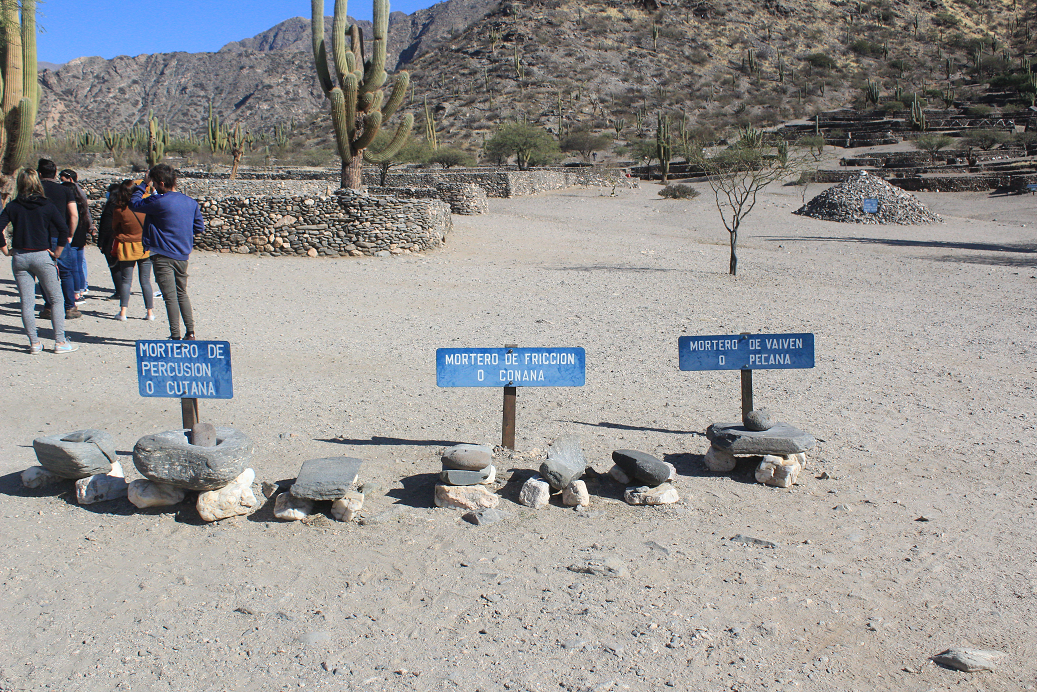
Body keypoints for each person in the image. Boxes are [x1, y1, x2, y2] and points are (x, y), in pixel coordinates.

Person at [0, 167, 77, 354]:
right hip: (43, 255)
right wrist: (58, 251)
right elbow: (63, 229)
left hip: (20, 256)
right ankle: (59, 341)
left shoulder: (13, 206)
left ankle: (34, 343)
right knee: (56, 299)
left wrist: (5, 250)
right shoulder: (47, 205)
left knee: (26, 302)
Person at [129, 164, 204, 340]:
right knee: (181, 293)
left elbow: (134, 203)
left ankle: (175, 335)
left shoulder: (158, 201)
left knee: (169, 297)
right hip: (182, 255)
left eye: (155, 182)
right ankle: (190, 332)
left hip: (162, 255)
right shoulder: (190, 203)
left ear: (160, 183)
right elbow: (199, 227)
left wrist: (143, 185)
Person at [37, 158, 80, 320]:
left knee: (44, 273)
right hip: (59, 235)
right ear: (55, 173)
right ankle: (69, 307)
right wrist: (70, 234)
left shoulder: (36, 191)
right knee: (66, 273)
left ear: (39, 173)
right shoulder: (65, 191)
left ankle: (49, 306)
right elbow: (74, 215)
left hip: (40, 236)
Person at [109, 180, 155, 321]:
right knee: (145, 281)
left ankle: (123, 312)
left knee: (126, 281)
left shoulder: (119, 209)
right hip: (144, 245)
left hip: (127, 245)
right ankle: (150, 312)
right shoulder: (145, 205)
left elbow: (115, 226)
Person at [60, 169, 94, 301]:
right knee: (79, 264)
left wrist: (69, 234)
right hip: (81, 234)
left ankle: (75, 293)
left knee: (73, 265)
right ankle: (80, 290)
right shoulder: (81, 201)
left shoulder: (70, 204)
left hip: (73, 235)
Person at [96, 181, 122, 298]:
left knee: (114, 266)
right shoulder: (123, 205)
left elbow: (105, 227)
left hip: (110, 241)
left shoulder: (110, 207)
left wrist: (101, 242)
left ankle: (119, 291)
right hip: (121, 239)